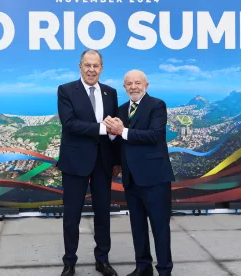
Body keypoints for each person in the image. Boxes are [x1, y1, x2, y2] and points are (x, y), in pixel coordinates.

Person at [103, 69, 174, 276]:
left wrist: (121, 131)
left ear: (146, 85)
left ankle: (164, 271)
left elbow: (154, 135)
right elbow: (118, 144)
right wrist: (112, 135)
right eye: (129, 84)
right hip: (131, 178)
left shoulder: (157, 105)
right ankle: (143, 267)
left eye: (137, 83)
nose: (133, 87)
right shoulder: (121, 109)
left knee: (160, 227)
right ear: (124, 87)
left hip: (155, 178)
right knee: (138, 226)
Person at [56, 49, 119, 276]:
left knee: (103, 213)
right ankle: (69, 262)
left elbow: (115, 127)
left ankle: (102, 259)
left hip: (103, 162)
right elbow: (69, 123)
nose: (92, 69)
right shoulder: (65, 90)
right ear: (80, 67)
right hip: (75, 162)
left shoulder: (110, 93)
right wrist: (103, 128)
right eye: (87, 65)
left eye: (96, 66)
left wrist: (117, 160)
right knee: (71, 215)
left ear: (102, 68)